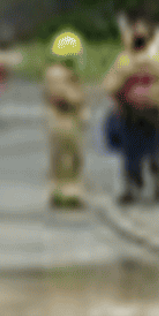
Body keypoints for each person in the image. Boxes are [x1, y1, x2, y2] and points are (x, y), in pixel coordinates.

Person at [104, 22, 159, 204]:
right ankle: (135, 187)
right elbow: (110, 85)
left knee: (147, 151)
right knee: (135, 152)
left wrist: (150, 93)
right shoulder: (128, 60)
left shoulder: (153, 59)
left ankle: (151, 186)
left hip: (148, 112)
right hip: (132, 113)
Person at [40, 30, 91, 209]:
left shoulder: (60, 73)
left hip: (61, 120)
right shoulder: (59, 74)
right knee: (67, 159)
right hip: (63, 120)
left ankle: (62, 191)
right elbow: (69, 98)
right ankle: (67, 194)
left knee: (66, 158)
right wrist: (79, 98)